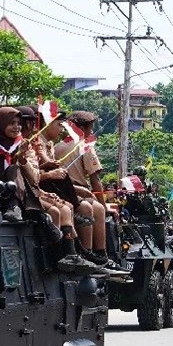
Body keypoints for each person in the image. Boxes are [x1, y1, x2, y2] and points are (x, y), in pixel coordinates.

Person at [53, 111, 118, 268]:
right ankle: (98, 254)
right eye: (90, 128)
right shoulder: (84, 146)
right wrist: (103, 204)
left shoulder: (56, 147)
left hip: (60, 190)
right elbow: (95, 180)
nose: (91, 132)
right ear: (82, 128)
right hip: (78, 191)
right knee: (98, 209)